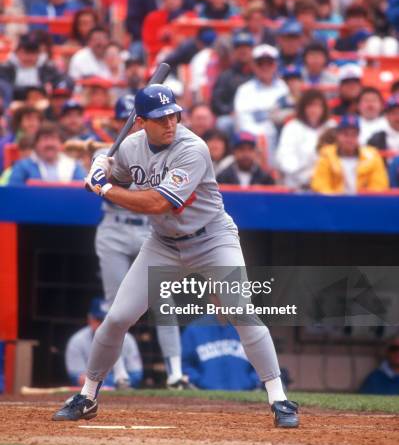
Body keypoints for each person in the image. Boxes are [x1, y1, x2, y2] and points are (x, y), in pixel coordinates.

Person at [52, 83, 299, 427]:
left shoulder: (193, 148)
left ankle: (280, 399)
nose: (170, 123)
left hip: (212, 238)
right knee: (118, 317)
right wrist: (101, 166)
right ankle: (87, 395)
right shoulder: (132, 147)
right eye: (160, 118)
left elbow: (157, 202)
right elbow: (116, 171)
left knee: (242, 312)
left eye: (173, 115)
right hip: (164, 243)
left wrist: (104, 187)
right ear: (140, 122)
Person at [94, 101, 188, 388]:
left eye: (131, 119)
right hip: (114, 231)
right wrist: (98, 164)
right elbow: (102, 173)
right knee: (116, 306)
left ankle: (175, 373)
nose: (129, 124)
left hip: (148, 230)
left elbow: (151, 195)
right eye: (124, 119)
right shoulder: (114, 152)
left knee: (164, 301)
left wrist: (106, 182)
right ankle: (119, 375)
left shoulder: (158, 153)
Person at [66, 298, 143, 390]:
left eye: (107, 320)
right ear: (90, 319)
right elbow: (76, 378)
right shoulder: (77, 341)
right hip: (91, 394)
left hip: (120, 394)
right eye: (99, 319)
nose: (104, 324)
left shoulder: (128, 339)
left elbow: (136, 376)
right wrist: (117, 382)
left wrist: (102, 383)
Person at [234, 44, 289, 164]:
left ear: (275, 65)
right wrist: (260, 135)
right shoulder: (245, 89)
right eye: (260, 63)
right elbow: (242, 120)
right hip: (253, 139)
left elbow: (288, 114)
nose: (265, 67)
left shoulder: (283, 87)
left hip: (278, 135)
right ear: (254, 66)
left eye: (269, 63)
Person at [311, 115, 388, 194]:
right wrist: (335, 201)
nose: (349, 139)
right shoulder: (326, 155)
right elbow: (320, 184)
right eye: (345, 134)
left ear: (358, 136)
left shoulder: (372, 156)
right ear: (338, 136)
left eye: (353, 135)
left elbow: (379, 186)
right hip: (333, 203)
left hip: (363, 204)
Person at [182, 314, 260, 390]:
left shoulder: (251, 328)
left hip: (247, 393)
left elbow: (263, 363)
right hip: (205, 396)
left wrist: (253, 381)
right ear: (212, 300)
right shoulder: (195, 329)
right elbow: (185, 364)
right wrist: (196, 380)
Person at [276, 90, 336, 190]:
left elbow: (338, 157)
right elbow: (285, 158)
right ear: (303, 108)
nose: (314, 110)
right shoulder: (292, 127)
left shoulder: (331, 126)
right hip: (297, 185)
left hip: (327, 185)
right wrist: (305, 177)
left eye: (318, 106)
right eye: (311, 106)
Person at [8, 122, 86, 185]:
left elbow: (83, 193)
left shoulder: (74, 166)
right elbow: (14, 194)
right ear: (36, 144)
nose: (49, 144)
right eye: (45, 139)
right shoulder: (22, 166)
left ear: (61, 144)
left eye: (53, 138)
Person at [211, 31, 254, 132]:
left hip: (255, 114)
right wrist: (229, 111)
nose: (243, 50)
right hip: (234, 117)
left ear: (252, 50)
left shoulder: (258, 73)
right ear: (234, 51)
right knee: (223, 123)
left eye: (246, 47)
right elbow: (216, 103)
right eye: (239, 47)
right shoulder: (226, 76)